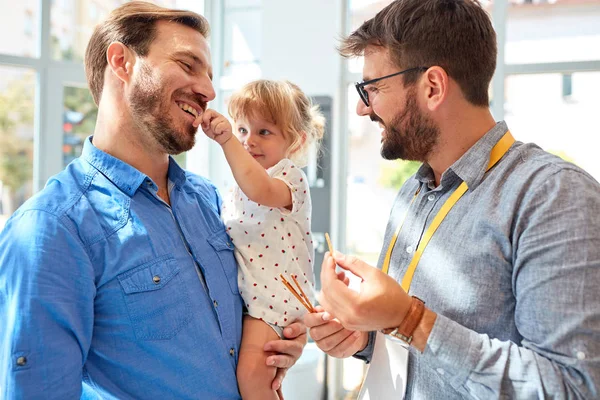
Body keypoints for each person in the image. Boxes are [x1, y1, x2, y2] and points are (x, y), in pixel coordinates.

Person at [0, 2, 307, 399]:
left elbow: (253, 305)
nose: (209, 91)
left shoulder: (211, 202)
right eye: (188, 64)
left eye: (209, 75)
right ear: (122, 62)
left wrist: (279, 338)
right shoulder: (51, 228)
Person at [306, 0, 600, 398]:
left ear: (432, 87)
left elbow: (572, 389)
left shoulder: (552, 197)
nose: (362, 107)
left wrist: (410, 319)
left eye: (373, 88)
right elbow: (415, 347)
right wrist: (365, 335)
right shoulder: (414, 191)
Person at [199, 79, 325, 400]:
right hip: (252, 298)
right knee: (264, 383)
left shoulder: (289, 178)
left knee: (252, 376)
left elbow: (260, 189)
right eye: (242, 130)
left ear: (295, 142)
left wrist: (227, 141)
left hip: (276, 299)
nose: (248, 141)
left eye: (263, 132)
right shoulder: (232, 193)